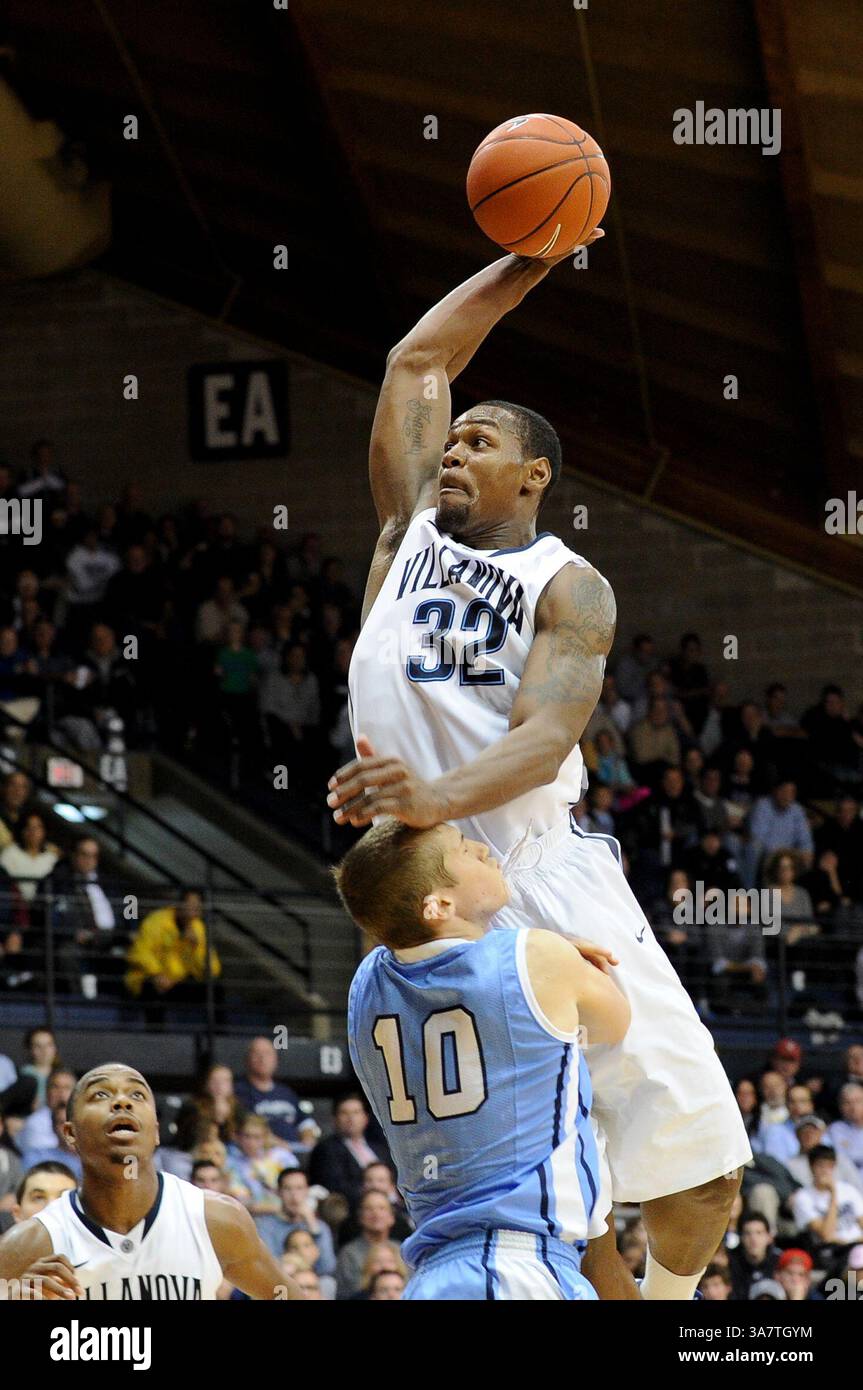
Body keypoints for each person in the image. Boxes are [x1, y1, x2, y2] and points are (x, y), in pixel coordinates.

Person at [330, 245, 751, 1302]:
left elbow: (550, 731)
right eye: (452, 438)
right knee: (531, 1199)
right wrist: (529, 257)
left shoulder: (568, 585)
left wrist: (433, 793)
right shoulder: (404, 536)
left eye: (481, 441)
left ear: (533, 476)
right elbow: (416, 358)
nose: (455, 449)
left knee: (700, 1175)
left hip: (537, 866)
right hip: (432, 892)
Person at [337, 816, 630, 1300]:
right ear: (439, 905)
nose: (481, 846)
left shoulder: (363, 986)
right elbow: (615, 1022)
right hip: (512, 1268)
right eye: (464, 850)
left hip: (440, 1273)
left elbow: (399, 922)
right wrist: (556, 960)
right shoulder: (533, 956)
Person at [0, 1063, 304, 1300]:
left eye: (137, 1095)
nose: (122, 1102)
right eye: (100, 1094)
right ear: (70, 1133)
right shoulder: (32, 1245)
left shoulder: (215, 1220)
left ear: (156, 1131)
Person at [124, 889, 221, 1028]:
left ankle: (218, 1036)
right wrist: (158, 973)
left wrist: (196, 947)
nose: (192, 910)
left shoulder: (198, 928)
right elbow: (138, 952)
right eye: (189, 904)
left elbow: (213, 970)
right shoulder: (157, 921)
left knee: (215, 989)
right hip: (151, 978)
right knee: (153, 990)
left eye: (197, 907)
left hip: (178, 981)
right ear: (180, 904)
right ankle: (156, 1038)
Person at [307, 1094, 389, 1209]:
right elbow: (336, 1187)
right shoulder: (326, 1150)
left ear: (366, 1118)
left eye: (356, 1112)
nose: (351, 1118)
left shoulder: (380, 1148)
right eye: (344, 1113)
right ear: (334, 1119)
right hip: (356, 1209)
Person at [234, 1037, 317, 1148]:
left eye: (267, 1054)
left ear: (276, 1059)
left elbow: (305, 1122)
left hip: (293, 1152)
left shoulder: (286, 1092)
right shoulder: (239, 1091)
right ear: (247, 1059)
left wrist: (308, 1138)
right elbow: (247, 1128)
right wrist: (279, 1145)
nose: (262, 1058)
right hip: (262, 1153)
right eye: (257, 1054)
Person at [254, 1167, 336, 1275]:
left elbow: (327, 1268)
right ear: (278, 1192)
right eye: (288, 1189)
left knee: (328, 1282)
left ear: (307, 1191)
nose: (294, 1196)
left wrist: (313, 1227)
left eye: (299, 1188)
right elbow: (270, 1267)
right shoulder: (264, 1226)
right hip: (280, 1284)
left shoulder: (319, 1226)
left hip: (314, 1283)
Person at [789, 1145, 863, 1261]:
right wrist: (833, 1194)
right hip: (832, 1252)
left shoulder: (848, 1189)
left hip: (858, 1247)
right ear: (811, 1167)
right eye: (820, 1165)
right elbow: (826, 1236)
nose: (825, 1170)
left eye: (829, 1166)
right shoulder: (803, 1198)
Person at [727, 1212, 779, 1300]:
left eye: (759, 1233)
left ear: (769, 1237)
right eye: (747, 1233)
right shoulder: (729, 1264)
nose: (753, 1239)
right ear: (741, 1238)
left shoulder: (779, 1263)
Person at [828, 1083, 863, 1180]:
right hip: (846, 1183)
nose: (853, 1107)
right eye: (847, 1103)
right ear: (840, 1106)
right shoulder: (835, 1130)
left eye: (858, 1101)